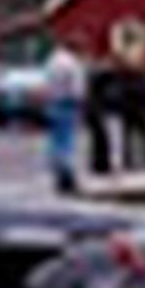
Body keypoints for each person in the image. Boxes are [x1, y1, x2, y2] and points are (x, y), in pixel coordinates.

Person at [44, 38, 87, 194]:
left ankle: (57, 173)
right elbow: (77, 88)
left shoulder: (52, 61)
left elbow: (47, 82)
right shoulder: (72, 64)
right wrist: (81, 103)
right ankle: (67, 177)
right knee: (67, 141)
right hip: (68, 103)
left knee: (56, 140)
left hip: (53, 102)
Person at [116, 59, 145, 172]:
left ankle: (132, 161)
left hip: (134, 111)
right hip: (136, 111)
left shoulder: (128, 81)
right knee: (139, 137)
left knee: (133, 137)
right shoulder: (140, 80)